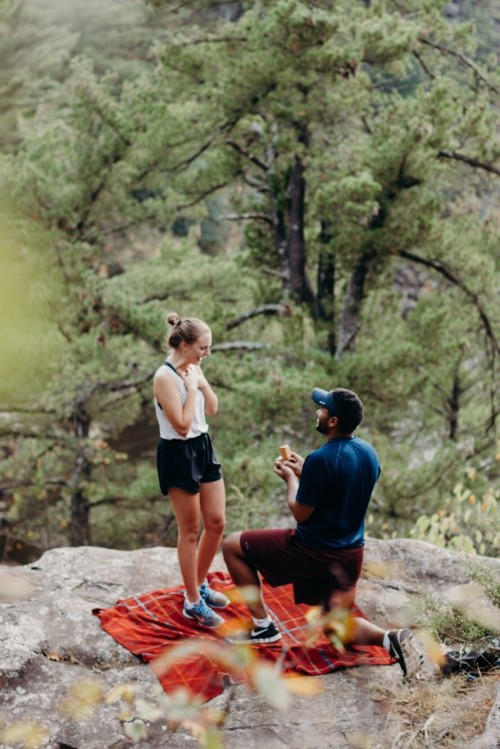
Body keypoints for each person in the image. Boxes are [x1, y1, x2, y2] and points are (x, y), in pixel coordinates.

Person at [222, 387, 424, 678]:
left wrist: (291, 478)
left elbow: (300, 512)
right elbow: (342, 488)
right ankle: (391, 638)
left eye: (322, 409)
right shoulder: (368, 451)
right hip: (351, 555)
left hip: (313, 551)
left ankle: (262, 626)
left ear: (332, 421)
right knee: (334, 627)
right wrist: (308, 473)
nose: (317, 411)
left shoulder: (321, 458)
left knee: (231, 545)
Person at [153, 312, 229, 629]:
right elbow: (182, 427)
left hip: (203, 447)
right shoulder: (164, 377)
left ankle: (198, 585)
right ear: (185, 344)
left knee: (217, 522)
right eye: (203, 348)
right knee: (190, 531)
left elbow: (212, 409)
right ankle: (192, 603)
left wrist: (200, 381)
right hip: (178, 453)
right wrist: (192, 389)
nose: (206, 354)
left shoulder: (194, 367)